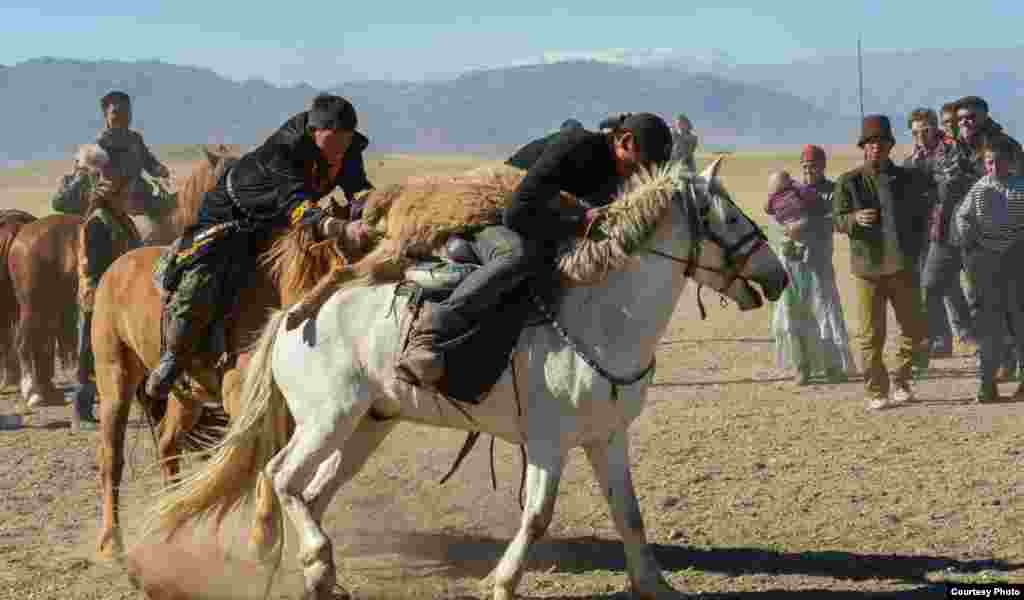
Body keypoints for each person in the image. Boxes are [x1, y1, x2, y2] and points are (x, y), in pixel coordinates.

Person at [395, 112, 674, 390]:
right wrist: (578, 223)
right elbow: (517, 215)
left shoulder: (618, 173)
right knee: (520, 256)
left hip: (536, 223)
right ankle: (429, 336)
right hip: (487, 214)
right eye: (641, 166)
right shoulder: (575, 148)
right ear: (624, 142)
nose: (640, 176)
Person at [144, 93, 376, 402]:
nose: (339, 154)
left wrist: (370, 209)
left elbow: (358, 187)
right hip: (232, 218)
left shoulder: (348, 148)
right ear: (313, 131)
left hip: (281, 223)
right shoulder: (283, 151)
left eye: (345, 144)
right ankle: (175, 357)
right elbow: (298, 207)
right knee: (203, 278)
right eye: (332, 144)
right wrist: (342, 227)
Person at [833, 115, 932, 410]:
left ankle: (901, 380)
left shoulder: (908, 179)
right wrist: (853, 219)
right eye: (871, 142)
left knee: (914, 330)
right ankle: (877, 391)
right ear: (864, 147)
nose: (876, 147)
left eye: (882, 142)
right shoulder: (849, 182)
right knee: (870, 336)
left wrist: (916, 251)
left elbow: (921, 218)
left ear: (890, 146)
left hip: (903, 266)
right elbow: (836, 220)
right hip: (868, 269)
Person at [72, 143, 143, 427]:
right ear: (111, 197)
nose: (128, 198)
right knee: (89, 352)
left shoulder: (121, 220)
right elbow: (95, 266)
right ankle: (81, 409)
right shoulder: (99, 223)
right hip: (98, 297)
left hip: (118, 296)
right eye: (123, 194)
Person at [766, 161, 853, 385]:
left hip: (819, 262)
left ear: (823, 166)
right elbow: (774, 219)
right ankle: (802, 366)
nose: (808, 171)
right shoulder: (792, 193)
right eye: (804, 166)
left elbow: (837, 220)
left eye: (813, 166)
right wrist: (788, 231)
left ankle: (833, 366)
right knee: (794, 314)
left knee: (826, 313)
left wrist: (806, 224)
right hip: (792, 263)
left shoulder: (831, 191)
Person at [955, 136, 1024, 402]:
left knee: (1019, 322)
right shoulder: (979, 189)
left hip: (1017, 262)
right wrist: (973, 245)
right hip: (986, 265)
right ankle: (986, 384)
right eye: (989, 162)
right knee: (988, 326)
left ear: (1011, 162)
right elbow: (963, 219)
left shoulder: (1020, 187)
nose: (994, 167)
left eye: (999, 161)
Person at [905, 108, 975, 359]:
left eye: (925, 130)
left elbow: (951, 187)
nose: (921, 136)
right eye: (915, 132)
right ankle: (941, 339)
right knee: (933, 285)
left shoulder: (952, 149)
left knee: (975, 287)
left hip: (963, 228)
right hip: (934, 230)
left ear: (935, 127)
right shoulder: (915, 157)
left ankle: (982, 339)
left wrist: (930, 193)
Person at [53, 91, 171, 216]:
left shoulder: (135, 139)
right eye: (116, 112)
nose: (123, 117)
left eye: (127, 112)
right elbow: (84, 180)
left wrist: (159, 169)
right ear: (106, 116)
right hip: (109, 206)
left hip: (139, 199)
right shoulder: (99, 145)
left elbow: (148, 162)